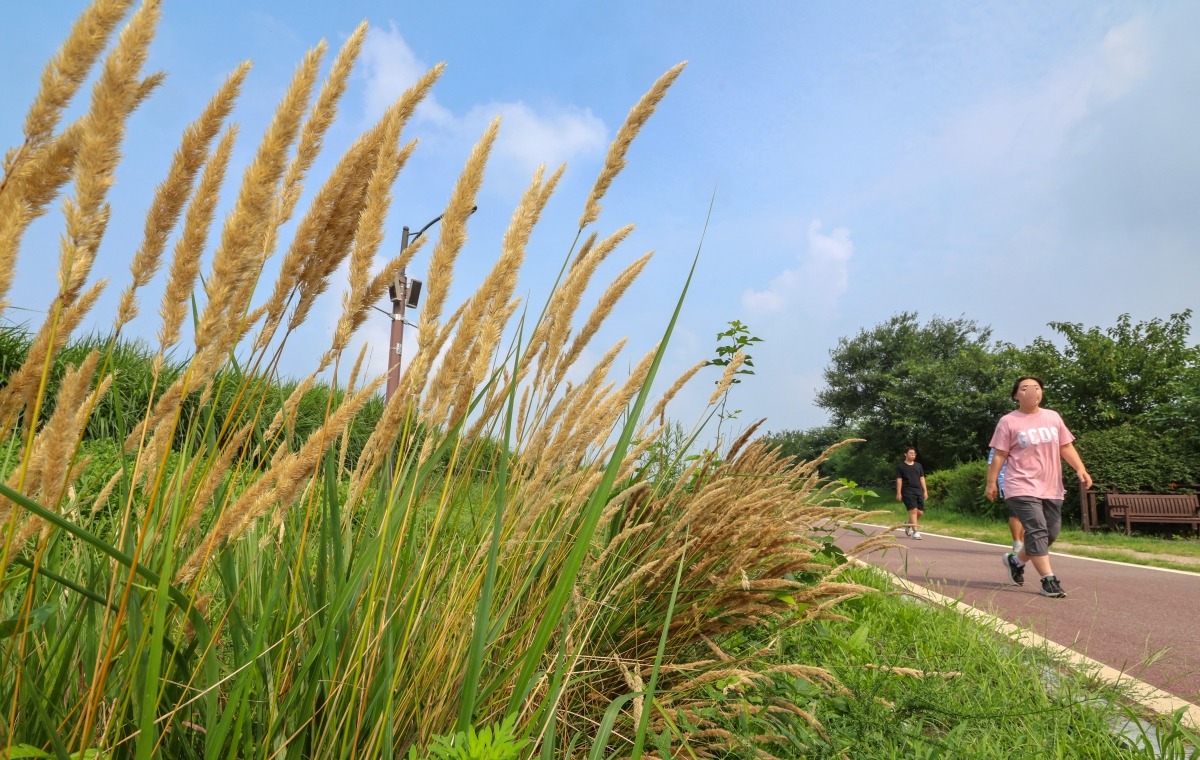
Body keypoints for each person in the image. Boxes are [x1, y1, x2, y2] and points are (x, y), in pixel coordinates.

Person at [986, 376, 1092, 598]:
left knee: (1050, 532)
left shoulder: (1052, 417)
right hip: (1020, 484)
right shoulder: (1008, 421)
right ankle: (1048, 580)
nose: (1032, 391)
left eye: (1036, 387)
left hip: (1051, 485)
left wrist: (1080, 468)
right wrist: (991, 482)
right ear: (1016, 395)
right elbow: (1000, 455)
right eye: (1025, 388)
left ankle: (1016, 562)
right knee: (1037, 529)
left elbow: (1066, 446)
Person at [988, 447, 1024, 553]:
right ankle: (1017, 542)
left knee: (1027, 514)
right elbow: (991, 464)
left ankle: (1022, 542)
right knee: (1016, 512)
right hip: (1007, 482)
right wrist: (991, 484)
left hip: (1027, 482)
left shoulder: (1026, 440)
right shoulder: (998, 445)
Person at [896, 446, 928, 539]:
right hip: (907, 491)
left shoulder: (918, 465)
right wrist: (899, 492)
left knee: (920, 512)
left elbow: (922, 478)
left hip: (918, 490)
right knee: (913, 510)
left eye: (914, 453)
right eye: (911, 453)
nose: (913, 455)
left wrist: (925, 491)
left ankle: (908, 524)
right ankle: (915, 532)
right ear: (905, 454)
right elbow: (899, 480)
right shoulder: (901, 466)